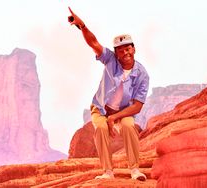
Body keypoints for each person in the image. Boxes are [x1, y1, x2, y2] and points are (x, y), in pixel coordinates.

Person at [68, 7, 149, 181]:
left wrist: (115, 117)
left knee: (129, 126)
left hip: (123, 112)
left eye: (128, 48)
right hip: (101, 109)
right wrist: (82, 26)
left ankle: (135, 170)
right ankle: (108, 172)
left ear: (134, 49)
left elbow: (137, 106)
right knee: (102, 128)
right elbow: (93, 43)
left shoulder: (142, 74)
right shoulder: (110, 60)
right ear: (116, 53)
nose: (125, 52)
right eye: (121, 50)